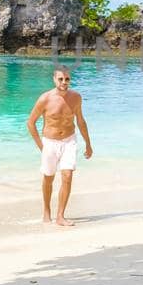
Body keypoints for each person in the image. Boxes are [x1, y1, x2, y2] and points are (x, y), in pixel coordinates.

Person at [26, 67, 93, 227]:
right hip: (50, 142)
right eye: (61, 79)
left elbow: (81, 121)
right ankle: (46, 211)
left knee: (67, 176)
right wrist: (41, 146)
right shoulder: (45, 99)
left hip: (69, 140)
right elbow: (31, 123)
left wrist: (88, 144)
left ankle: (60, 216)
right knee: (48, 178)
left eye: (67, 79)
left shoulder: (76, 97)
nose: (64, 82)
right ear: (54, 79)